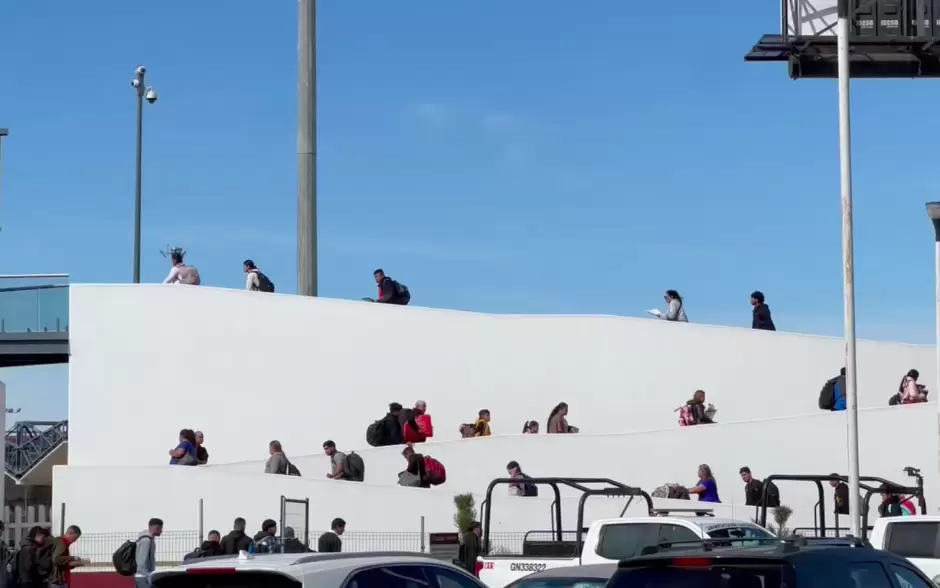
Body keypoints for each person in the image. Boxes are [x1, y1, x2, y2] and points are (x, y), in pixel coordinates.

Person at [134, 518, 163, 588]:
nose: (161, 531)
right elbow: (141, 563)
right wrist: (148, 577)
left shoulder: (150, 540)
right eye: (161, 528)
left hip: (143, 577)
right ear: (156, 527)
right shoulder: (146, 541)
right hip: (143, 577)